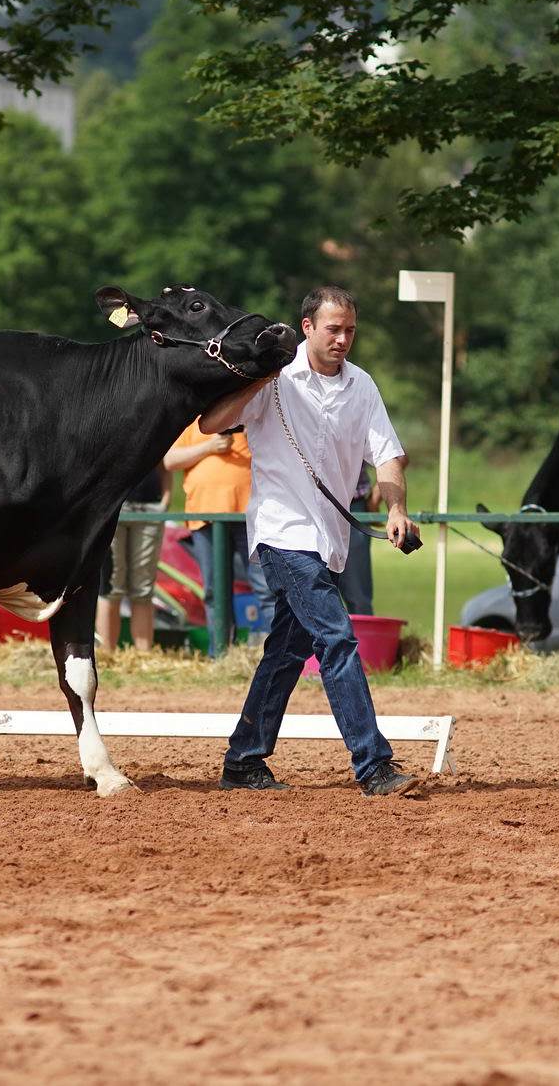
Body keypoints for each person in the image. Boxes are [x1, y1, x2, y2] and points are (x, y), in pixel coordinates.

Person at [201, 285, 421, 797]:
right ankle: (373, 765)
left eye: (350, 330)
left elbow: (387, 454)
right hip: (283, 533)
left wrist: (396, 508)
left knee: (285, 651)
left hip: (333, 539)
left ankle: (243, 760)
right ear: (307, 328)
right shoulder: (274, 382)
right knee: (338, 638)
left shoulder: (361, 385)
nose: (343, 339)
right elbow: (212, 421)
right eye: (333, 329)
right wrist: (260, 378)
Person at [164, 419, 273, 642]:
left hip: (251, 517)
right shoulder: (191, 418)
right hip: (205, 517)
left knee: (266, 587)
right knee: (214, 592)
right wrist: (209, 447)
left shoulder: (249, 414)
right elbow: (170, 460)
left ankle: (282, 651)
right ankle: (221, 652)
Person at [96, 463, 170, 653]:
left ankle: (143, 656)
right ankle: (107, 655)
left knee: (143, 589)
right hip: (112, 507)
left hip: (151, 507)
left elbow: (166, 461)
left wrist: (166, 498)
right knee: (110, 586)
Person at [333, 461, 377, 616]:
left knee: (357, 597)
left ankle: (363, 640)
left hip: (353, 507)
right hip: (306, 507)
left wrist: (375, 499)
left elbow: (398, 457)